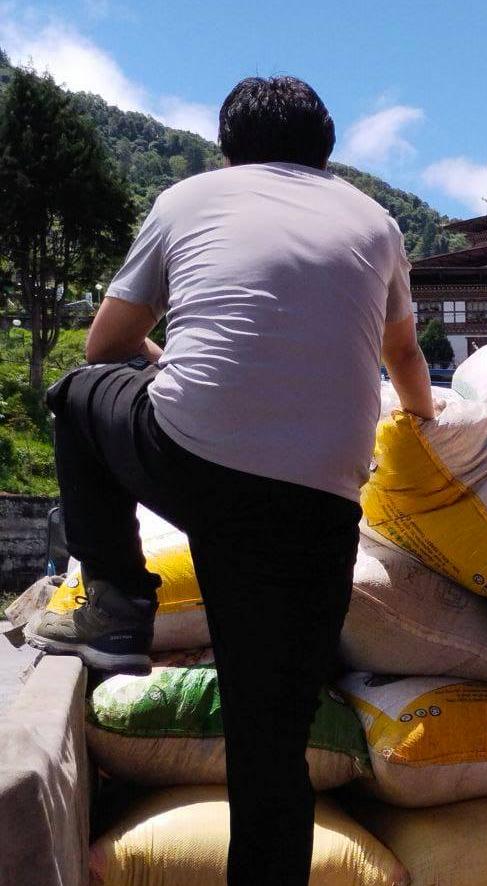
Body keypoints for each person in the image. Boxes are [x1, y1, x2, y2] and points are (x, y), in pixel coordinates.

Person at [25, 76, 435, 884]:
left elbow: (103, 347)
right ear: (327, 148)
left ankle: (115, 602)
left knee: (75, 398)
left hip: (199, 464)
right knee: (270, 738)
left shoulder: (188, 197)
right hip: (323, 506)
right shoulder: (377, 222)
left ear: (227, 146)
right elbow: (405, 358)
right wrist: (426, 422)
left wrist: (173, 364)